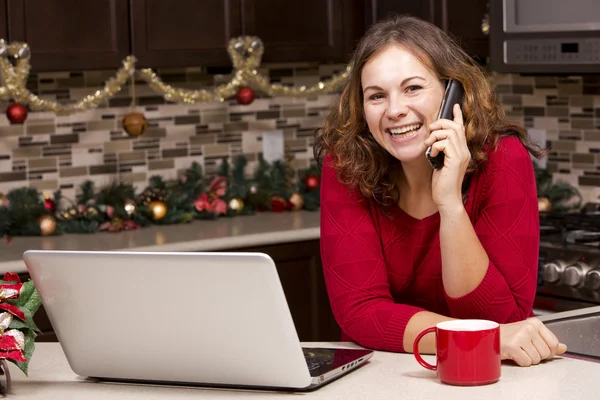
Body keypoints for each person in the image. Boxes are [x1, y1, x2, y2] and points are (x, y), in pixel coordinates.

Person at [314, 14, 567, 367]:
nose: (395, 110)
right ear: (361, 107)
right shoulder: (345, 165)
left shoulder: (503, 160)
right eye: (376, 96)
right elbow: (360, 313)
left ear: (453, 91)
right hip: (378, 376)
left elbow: (504, 316)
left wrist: (450, 205)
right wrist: (478, 335)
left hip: (484, 377)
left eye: (413, 88)